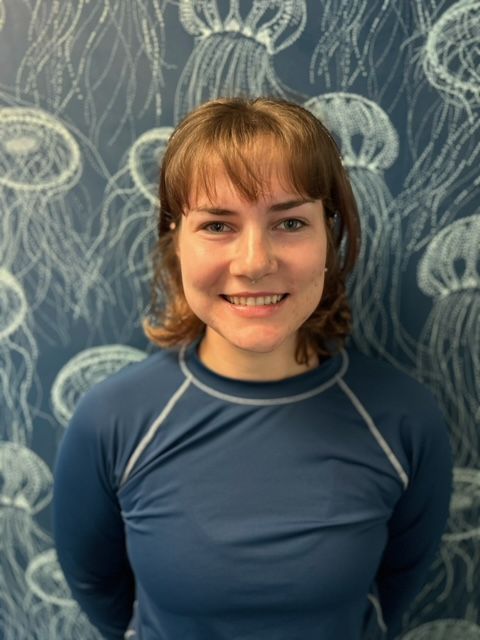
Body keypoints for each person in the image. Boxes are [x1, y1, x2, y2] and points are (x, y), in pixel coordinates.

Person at [53, 97, 452, 640]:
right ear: (176, 239)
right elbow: (99, 590)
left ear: (329, 237)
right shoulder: (110, 421)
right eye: (218, 225)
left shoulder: (404, 418)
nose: (255, 262)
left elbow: (397, 590)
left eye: (289, 221)